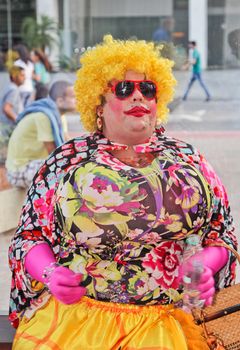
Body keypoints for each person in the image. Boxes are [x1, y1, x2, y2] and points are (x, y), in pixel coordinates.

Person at [9, 35, 237, 350]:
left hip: (166, 324)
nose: (138, 97)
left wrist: (206, 264)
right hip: (78, 326)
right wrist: (49, 273)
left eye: (148, 89)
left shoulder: (188, 159)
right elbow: (29, 237)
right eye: (124, 89)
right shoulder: (68, 161)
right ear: (98, 105)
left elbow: (221, 233)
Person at [5, 80, 76, 188]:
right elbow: (53, 154)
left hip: (34, 164)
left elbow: (68, 144)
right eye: (73, 97)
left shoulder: (59, 117)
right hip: (18, 170)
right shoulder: (44, 116)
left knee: (74, 165)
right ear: (60, 101)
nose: (78, 100)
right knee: (64, 170)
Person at [0, 65, 25, 163]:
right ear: (14, 76)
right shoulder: (13, 90)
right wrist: (18, 120)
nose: (25, 78)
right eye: (22, 75)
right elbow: (7, 109)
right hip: (9, 127)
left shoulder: (8, 87)